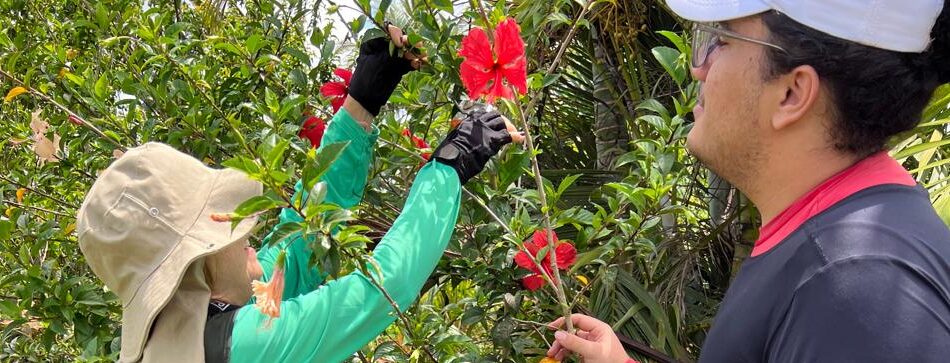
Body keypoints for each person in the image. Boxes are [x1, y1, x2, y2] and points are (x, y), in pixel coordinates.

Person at [76, 24, 520, 362]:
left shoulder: (195, 324)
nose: (243, 229)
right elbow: (380, 290)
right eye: (220, 224)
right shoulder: (243, 347)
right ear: (197, 260)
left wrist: (360, 104)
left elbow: (304, 240)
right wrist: (450, 165)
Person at [546, 0, 950, 362]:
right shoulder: (840, 243)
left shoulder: (852, 288)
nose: (697, 67)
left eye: (721, 40)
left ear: (792, 93)